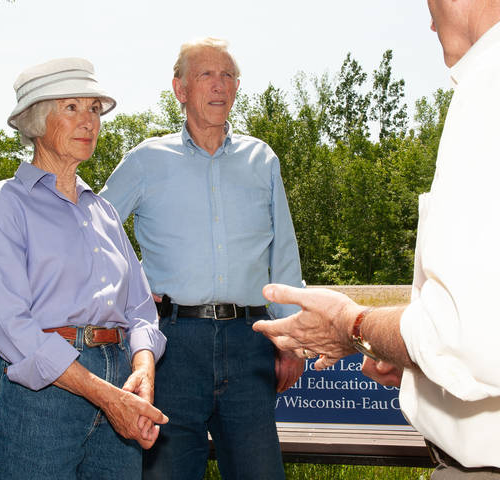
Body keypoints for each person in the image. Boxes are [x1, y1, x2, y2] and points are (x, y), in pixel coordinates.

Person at [253, 1, 500, 477]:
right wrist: (413, 361)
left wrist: (353, 324)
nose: (430, 22)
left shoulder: (487, 87)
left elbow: (466, 338)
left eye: (430, 4)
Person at [100, 38, 304, 479]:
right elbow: (94, 236)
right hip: (171, 345)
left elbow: (284, 254)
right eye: (207, 75)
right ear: (180, 89)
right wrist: (130, 297)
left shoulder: (262, 159)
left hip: (250, 342)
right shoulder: (145, 161)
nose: (219, 86)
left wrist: (290, 340)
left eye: (228, 76)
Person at [0, 57, 168, 479]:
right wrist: (106, 397)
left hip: (120, 378)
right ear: (37, 121)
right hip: (44, 394)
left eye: (94, 109)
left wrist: (143, 372)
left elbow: (140, 310)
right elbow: (10, 326)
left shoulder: (105, 212)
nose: (89, 122)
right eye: (72, 107)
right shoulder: (1, 204)